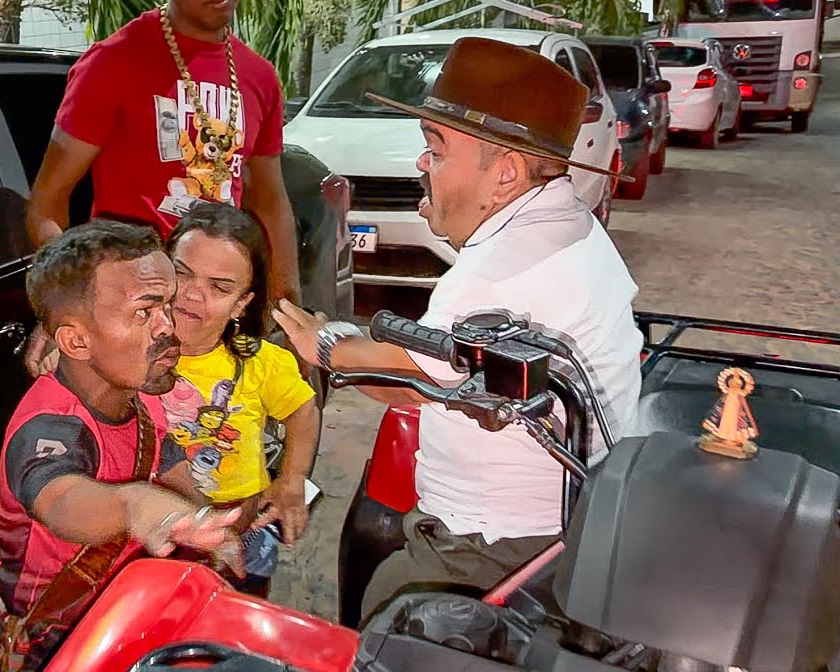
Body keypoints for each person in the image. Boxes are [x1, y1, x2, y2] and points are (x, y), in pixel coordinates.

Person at [270, 37, 644, 621]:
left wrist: (323, 343)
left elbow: (407, 380)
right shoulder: (567, 220)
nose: (423, 164)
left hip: (494, 539)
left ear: (507, 173)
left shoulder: (494, 272)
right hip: (566, 508)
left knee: (390, 612)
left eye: (437, 151)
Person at [0, 219, 245, 672]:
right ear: (76, 341)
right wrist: (136, 506)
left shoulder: (141, 394)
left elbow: (170, 465)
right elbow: (62, 498)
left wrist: (202, 523)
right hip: (24, 662)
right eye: (145, 312)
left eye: (168, 304)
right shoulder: (52, 426)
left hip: (101, 633)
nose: (169, 327)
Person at [23, 0, 299, 374]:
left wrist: (289, 309)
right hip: (130, 322)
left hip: (213, 321)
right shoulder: (113, 61)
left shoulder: (259, 76)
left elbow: (271, 203)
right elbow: (46, 201)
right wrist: (66, 304)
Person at [162, 203, 321, 597]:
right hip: (154, 533)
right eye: (182, 274)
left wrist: (292, 479)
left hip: (240, 531)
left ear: (241, 304)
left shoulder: (260, 362)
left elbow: (303, 409)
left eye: (219, 287)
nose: (193, 295)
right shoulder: (128, 350)